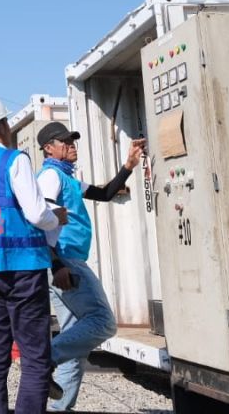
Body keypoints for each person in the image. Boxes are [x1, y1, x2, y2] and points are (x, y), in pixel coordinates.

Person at [0, 94, 68, 414]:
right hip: (23, 268)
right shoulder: (14, 160)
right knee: (35, 359)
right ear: (4, 125)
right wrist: (56, 216)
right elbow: (36, 214)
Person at [35, 121, 144, 411]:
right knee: (102, 322)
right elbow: (41, 222)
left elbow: (105, 193)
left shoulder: (66, 178)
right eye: (65, 142)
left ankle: (60, 408)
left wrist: (129, 165)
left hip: (66, 261)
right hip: (65, 260)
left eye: (73, 141)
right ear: (49, 148)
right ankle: (42, 363)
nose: (72, 146)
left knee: (75, 347)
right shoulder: (50, 177)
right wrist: (57, 264)